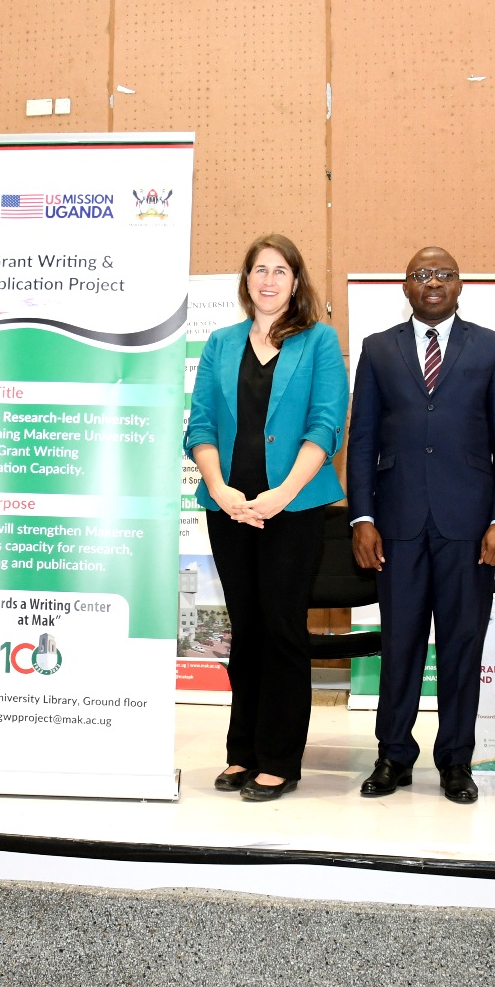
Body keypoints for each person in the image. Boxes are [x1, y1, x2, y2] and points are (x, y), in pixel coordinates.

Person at [347, 247, 495, 804]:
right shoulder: (378, 350)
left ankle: (455, 760)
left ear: (460, 284)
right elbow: (364, 439)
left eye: (443, 274)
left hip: (469, 525)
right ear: (405, 285)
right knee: (399, 643)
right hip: (394, 522)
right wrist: (362, 516)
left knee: (461, 644)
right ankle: (394, 754)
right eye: (421, 275)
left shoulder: (492, 347)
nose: (433, 282)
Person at [184, 234, 348, 802]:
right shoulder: (220, 343)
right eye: (259, 270)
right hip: (228, 507)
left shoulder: (319, 342)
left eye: (281, 271)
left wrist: (279, 495)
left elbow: (326, 427)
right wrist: (220, 488)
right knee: (246, 632)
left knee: (281, 631)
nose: (269, 280)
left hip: (293, 509)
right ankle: (242, 753)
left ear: (296, 282)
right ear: (246, 280)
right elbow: (200, 426)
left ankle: (279, 759)